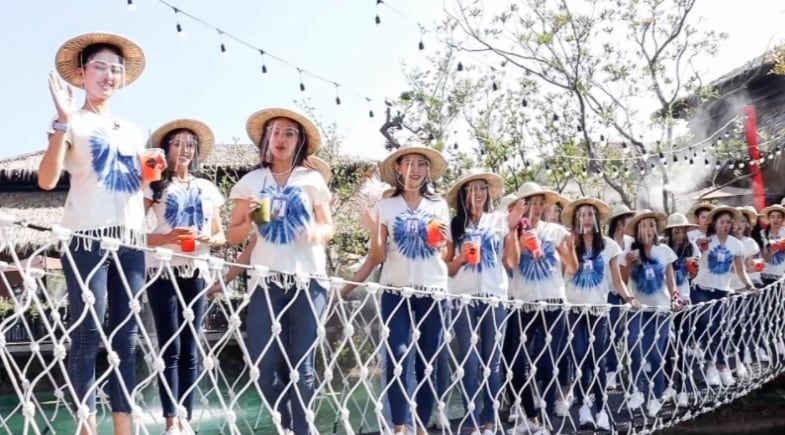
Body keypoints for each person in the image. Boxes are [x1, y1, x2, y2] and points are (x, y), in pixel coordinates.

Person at [39, 32, 147, 435]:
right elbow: (48, 180)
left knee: (128, 336)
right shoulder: (73, 121)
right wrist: (62, 123)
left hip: (132, 240)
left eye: (115, 69)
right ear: (82, 73)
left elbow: (142, 187)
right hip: (87, 236)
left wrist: (153, 182)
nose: (108, 75)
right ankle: (87, 426)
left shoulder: (132, 130)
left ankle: (124, 427)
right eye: (100, 66)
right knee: (88, 329)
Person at [227, 108, 333, 435]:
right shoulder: (250, 182)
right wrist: (254, 220)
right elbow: (233, 235)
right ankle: (284, 424)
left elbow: (329, 226)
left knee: (303, 366)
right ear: (266, 139)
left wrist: (315, 233)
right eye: (276, 132)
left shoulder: (312, 180)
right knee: (263, 365)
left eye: (289, 133)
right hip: (265, 283)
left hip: (308, 282)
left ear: (299, 141)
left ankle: (302, 429)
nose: (282, 138)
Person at [143, 119, 226, 435]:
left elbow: (220, 236)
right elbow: (135, 233)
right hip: (162, 269)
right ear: (166, 149)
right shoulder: (154, 185)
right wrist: (168, 238)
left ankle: (186, 419)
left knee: (191, 347)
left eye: (189, 144)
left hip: (197, 270)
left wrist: (206, 239)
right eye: (177, 143)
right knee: (170, 346)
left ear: (196, 151)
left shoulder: (207, 188)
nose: (184, 149)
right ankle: (170, 421)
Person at [363, 143, 450, 435]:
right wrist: (373, 228)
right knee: (397, 354)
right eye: (409, 163)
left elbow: (446, 255)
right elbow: (378, 255)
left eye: (421, 164)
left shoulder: (439, 205)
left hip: (433, 290)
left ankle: (420, 425)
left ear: (427, 171)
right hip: (395, 290)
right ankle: (399, 425)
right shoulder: (385, 206)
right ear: (399, 168)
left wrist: (444, 244)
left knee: (429, 359)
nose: (415, 169)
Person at [444, 169, 523, 435]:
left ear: (488, 194)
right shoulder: (454, 226)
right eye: (471, 190)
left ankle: (491, 420)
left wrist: (512, 230)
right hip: (463, 299)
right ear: (463, 196)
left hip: (495, 298)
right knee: (469, 360)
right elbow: (448, 269)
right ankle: (472, 417)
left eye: (481, 188)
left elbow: (511, 262)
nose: (477, 194)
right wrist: (462, 257)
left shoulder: (499, 220)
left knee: (493, 360)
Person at [561, 198, 638, 430]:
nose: (586, 218)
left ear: (596, 219)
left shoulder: (609, 247)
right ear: (576, 220)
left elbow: (616, 280)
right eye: (582, 214)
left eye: (590, 214)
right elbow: (563, 275)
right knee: (580, 356)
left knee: (597, 360)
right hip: (574, 309)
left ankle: (602, 410)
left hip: (598, 310)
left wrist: (629, 298)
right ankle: (585, 407)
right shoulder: (568, 245)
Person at [506, 182, 577, 433]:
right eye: (529, 204)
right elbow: (511, 262)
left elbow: (572, 267)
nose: (535, 209)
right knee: (516, 365)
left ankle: (545, 419)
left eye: (538, 203)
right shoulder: (512, 231)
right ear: (520, 207)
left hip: (553, 304)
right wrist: (520, 241)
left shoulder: (555, 230)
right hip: (523, 305)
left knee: (547, 363)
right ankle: (530, 416)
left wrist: (568, 247)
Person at [618, 210, 683, 417]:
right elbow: (624, 279)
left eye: (651, 225)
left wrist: (675, 297)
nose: (648, 229)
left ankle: (655, 397)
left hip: (661, 309)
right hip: (638, 308)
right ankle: (636, 391)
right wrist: (628, 264)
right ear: (637, 230)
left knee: (656, 353)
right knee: (635, 349)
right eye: (644, 225)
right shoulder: (631, 251)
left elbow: (671, 279)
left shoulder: (664, 251)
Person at [691, 206, 755, 387]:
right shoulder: (704, 241)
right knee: (708, 324)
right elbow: (694, 263)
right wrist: (699, 250)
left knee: (719, 328)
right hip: (701, 289)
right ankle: (715, 365)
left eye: (728, 222)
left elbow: (740, 270)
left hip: (722, 291)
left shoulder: (736, 244)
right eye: (722, 222)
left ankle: (719, 365)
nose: (725, 225)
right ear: (715, 223)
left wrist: (749, 285)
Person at [662, 212, 701, 407]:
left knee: (682, 344)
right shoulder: (662, 248)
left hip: (684, 298)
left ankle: (684, 387)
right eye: (676, 231)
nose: (680, 234)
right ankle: (669, 384)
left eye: (683, 231)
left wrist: (693, 269)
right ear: (670, 232)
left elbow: (693, 275)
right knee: (668, 346)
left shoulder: (692, 247)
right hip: (666, 300)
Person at [603, 204, 636, 389]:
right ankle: (610, 371)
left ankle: (623, 371)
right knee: (611, 334)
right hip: (609, 292)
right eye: (627, 220)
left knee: (624, 334)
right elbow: (616, 276)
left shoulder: (632, 243)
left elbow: (630, 274)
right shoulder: (606, 243)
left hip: (629, 293)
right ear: (619, 223)